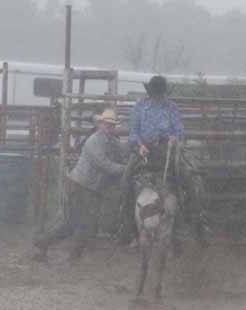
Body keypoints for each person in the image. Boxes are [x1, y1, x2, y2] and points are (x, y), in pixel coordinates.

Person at [117, 75, 207, 250]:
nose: (157, 97)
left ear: (163, 93)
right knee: (125, 180)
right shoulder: (140, 106)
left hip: (166, 149)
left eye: (159, 94)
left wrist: (175, 138)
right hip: (144, 150)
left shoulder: (171, 107)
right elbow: (133, 131)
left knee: (187, 177)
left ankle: (196, 223)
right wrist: (140, 144)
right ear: (150, 92)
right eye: (154, 93)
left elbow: (179, 130)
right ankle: (126, 227)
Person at [33, 109, 128, 261]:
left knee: (84, 224)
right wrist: (126, 169)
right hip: (80, 185)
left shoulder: (110, 141)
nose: (110, 127)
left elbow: (124, 149)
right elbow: (103, 164)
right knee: (74, 223)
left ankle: (66, 252)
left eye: (112, 125)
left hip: (90, 187)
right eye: (107, 125)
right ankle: (46, 243)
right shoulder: (93, 141)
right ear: (101, 125)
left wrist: (138, 146)